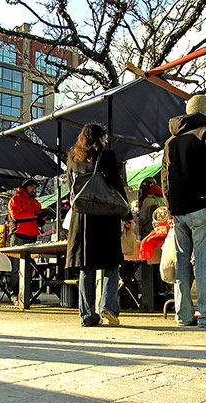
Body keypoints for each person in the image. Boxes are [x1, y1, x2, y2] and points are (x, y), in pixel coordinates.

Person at [161, 95, 206, 328]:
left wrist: (171, 206)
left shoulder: (171, 140)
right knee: (203, 260)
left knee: (182, 261)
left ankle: (183, 314)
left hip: (179, 209)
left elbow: (164, 177)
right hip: (202, 205)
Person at [66, 122, 132, 327]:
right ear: (100, 138)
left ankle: (87, 315)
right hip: (106, 216)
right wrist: (127, 214)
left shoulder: (72, 159)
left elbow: (71, 188)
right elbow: (117, 186)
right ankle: (108, 307)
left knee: (87, 267)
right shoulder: (108, 156)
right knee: (111, 265)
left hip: (82, 218)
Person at [137, 177, 166, 311]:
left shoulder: (148, 200)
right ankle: (162, 296)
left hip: (150, 238)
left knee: (148, 271)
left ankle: (149, 301)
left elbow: (143, 219)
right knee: (160, 270)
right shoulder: (161, 198)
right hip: (161, 238)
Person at [8, 178, 47, 246]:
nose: (33, 190)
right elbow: (16, 216)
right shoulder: (15, 199)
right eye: (31, 187)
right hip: (19, 235)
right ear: (25, 187)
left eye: (35, 188)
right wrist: (35, 214)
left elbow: (41, 222)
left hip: (33, 236)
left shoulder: (36, 202)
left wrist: (42, 217)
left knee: (32, 256)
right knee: (17, 256)